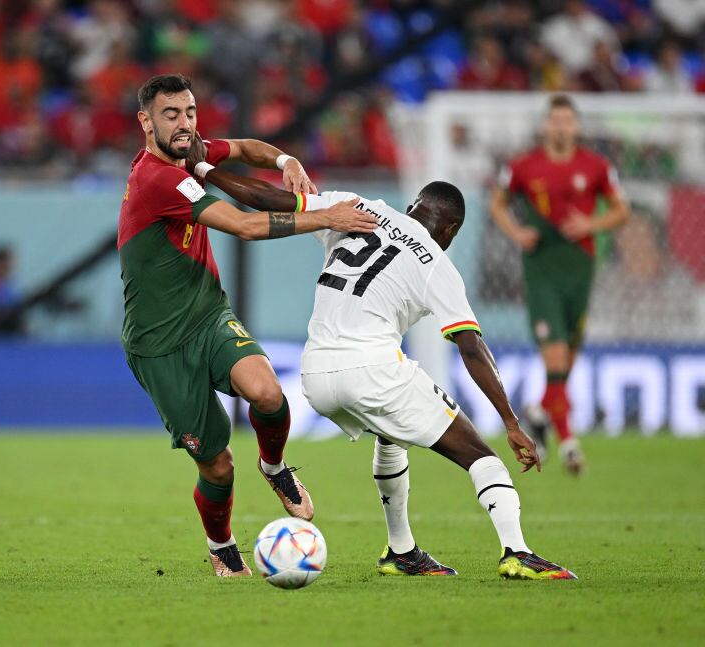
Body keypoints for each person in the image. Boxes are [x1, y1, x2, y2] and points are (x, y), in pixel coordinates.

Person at [188, 160, 576, 580]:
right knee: (482, 456)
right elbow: (472, 348)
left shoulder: (356, 207)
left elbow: (261, 197)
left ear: (412, 205)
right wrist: (511, 421)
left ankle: (401, 551)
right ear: (450, 232)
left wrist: (204, 168)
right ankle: (517, 551)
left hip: (315, 376)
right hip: (372, 370)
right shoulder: (436, 263)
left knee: (391, 438)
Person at [119, 74, 374, 577]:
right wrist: (326, 217)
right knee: (216, 465)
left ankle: (276, 468)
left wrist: (286, 160)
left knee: (269, 396)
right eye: (171, 114)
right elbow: (245, 225)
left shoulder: (187, 151)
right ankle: (221, 546)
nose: (185, 123)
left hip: (209, 314)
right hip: (159, 345)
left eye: (190, 112)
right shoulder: (157, 179)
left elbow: (245, 147)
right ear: (146, 122)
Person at [488, 95, 629, 474]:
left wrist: (590, 225)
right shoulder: (523, 167)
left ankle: (539, 412)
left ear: (577, 127)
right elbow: (497, 203)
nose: (562, 127)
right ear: (545, 126)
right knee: (555, 357)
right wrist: (517, 233)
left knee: (568, 359)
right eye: (555, 120)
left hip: (580, 269)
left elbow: (621, 210)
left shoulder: (596, 167)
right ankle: (567, 441)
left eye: (568, 120)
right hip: (542, 271)